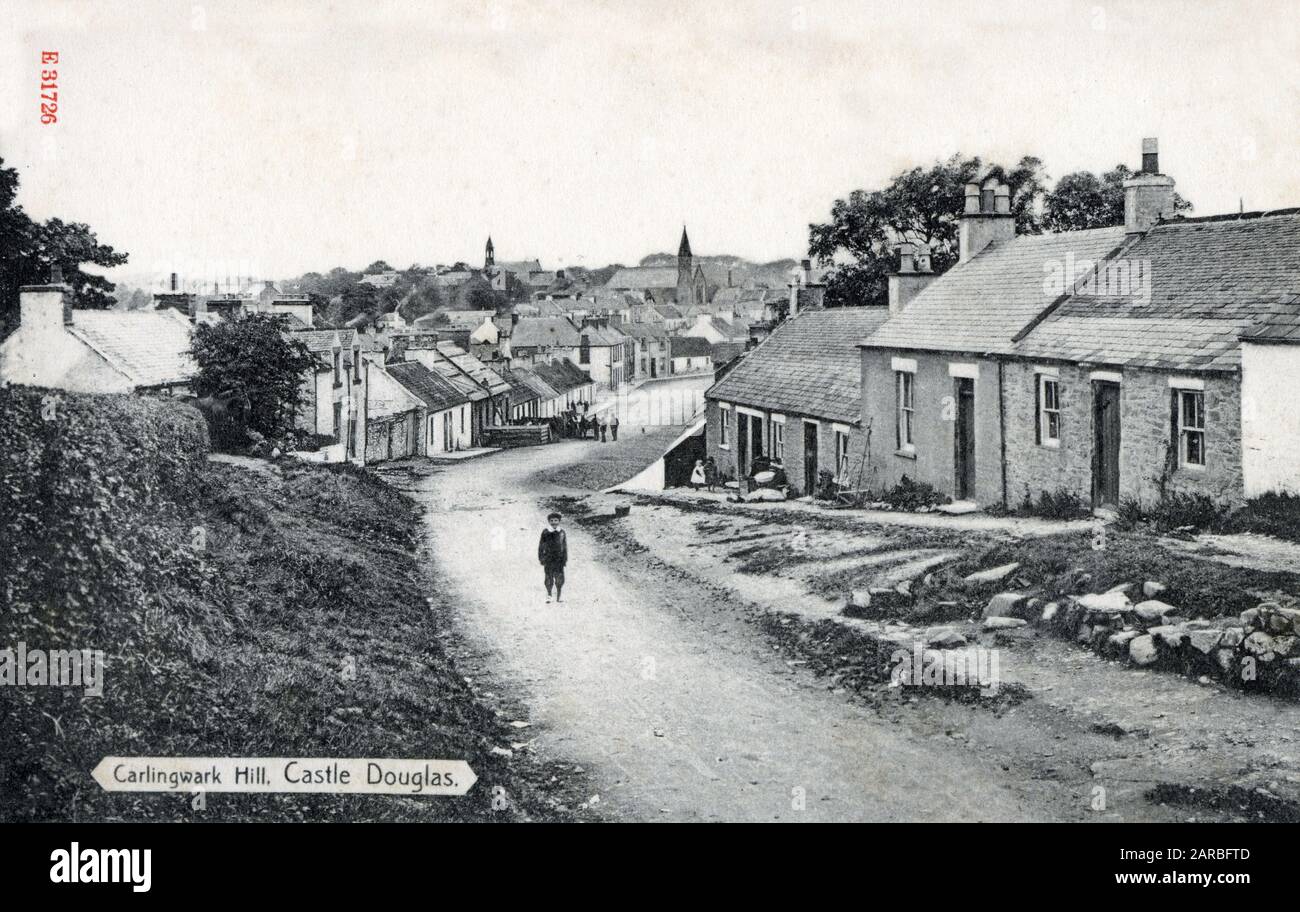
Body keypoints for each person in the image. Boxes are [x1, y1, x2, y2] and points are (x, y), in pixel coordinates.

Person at [537, 512, 568, 603]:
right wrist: (541, 557)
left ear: (559, 521)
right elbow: (541, 546)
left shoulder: (562, 532)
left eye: (556, 520)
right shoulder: (545, 532)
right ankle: (549, 594)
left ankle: (559, 595)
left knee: (559, 578)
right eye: (552, 520)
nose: (554, 522)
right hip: (548, 558)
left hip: (559, 559)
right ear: (549, 521)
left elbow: (564, 546)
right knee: (548, 577)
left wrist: (564, 558)